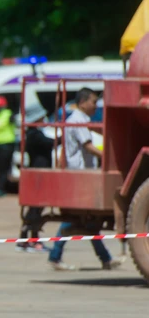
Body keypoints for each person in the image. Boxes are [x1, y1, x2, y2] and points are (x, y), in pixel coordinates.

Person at [47, 88, 123, 271]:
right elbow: (88, 147)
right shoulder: (78, 121)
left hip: (80, 172)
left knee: (88, 220)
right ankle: (55, 256)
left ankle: (105, 258)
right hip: (80, 174)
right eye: (93, 102)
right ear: (82, 103)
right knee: (75, 217)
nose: (95, 106)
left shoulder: (78, 120)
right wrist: (110, 158)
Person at [16, 107, 54, 253]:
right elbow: (50, 143)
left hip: (40, 174)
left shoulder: (34, 133)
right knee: (34, 208)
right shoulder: (34, 134)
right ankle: (27, 240)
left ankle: (30, 239)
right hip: (37, 175)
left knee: (36, 208)